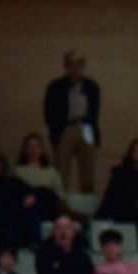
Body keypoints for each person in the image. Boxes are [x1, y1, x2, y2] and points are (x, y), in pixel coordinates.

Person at [43, 49, 100, 195]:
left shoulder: (91, 86)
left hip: (86, 128)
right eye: (71, 64)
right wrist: (55, 130)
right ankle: (60, 205)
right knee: (61, 170)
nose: (75, 67)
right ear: (66, 66)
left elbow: (95, 112)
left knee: (88, 170)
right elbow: (49, 111)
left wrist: (94, 133)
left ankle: (88, 204)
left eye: (78, 64)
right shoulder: (56, 86)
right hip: (66, 128)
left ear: (83, 66)